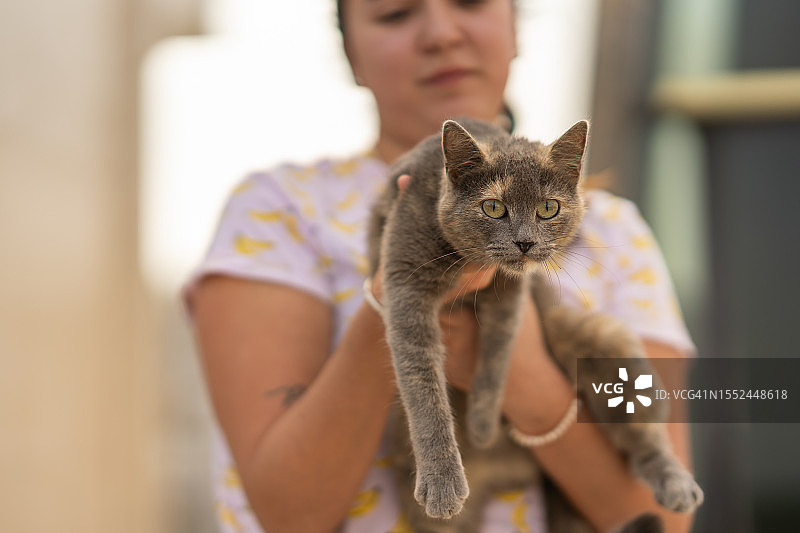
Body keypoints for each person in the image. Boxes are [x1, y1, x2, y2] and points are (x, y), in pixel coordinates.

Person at [184, 1, 698, 532]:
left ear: (515, 27)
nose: (441, 34)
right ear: (350, 54)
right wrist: (399, 301)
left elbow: (662, 518)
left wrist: (524, 378)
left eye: (470, 2)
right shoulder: (281, 212)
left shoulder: (614, 233)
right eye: (396, 14)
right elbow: (287, 515)